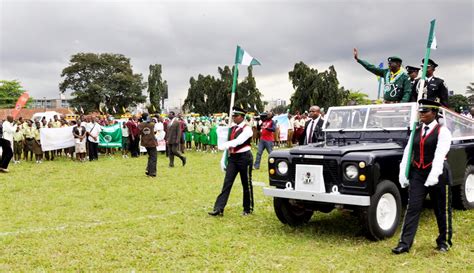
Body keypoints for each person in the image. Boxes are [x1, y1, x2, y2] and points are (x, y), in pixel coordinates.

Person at [393, 99, 452, 254]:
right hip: (418, 173)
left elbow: (440, 155)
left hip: (436, 173)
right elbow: (407, 152)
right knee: (413, 207)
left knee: (440, 209)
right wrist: (403, 173)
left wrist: (433, 175)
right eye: (420, 111)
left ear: (434, 113)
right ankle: (404, 243)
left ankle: (443, 241)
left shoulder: (442, 131)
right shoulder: (416, 130)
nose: (422, 114)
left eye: (425, 112)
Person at [209, 107, 254, 216]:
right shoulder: (232, 128)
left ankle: (248, 208)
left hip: (244, 157)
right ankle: (219, 208)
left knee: (246, 184)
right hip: (233, 158)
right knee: (227, 183)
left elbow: (239, 141)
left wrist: (223, 146)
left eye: (236, 116)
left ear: (242, 117)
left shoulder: (247, 129)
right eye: (233, 116)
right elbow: (224, 138)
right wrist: (223, 158)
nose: (233, 118)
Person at [139, 113, 158, 177]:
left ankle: (148, 170)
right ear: (147, 117)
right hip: (152, 142)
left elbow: (139, 132)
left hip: (145, 142)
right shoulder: (152, 124)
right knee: (153, 157)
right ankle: (152, 173)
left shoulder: (140, 125)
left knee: (150, 156)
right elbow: (155, 131)